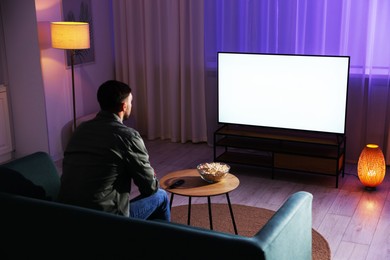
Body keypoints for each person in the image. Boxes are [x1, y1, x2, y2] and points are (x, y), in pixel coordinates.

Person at [58, 80, 170, 221]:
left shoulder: (80, 130)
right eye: (131, 102)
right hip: (105, 219)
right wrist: (148, 174)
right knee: (161, 196)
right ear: (124, 106)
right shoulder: (128, 136)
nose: (131, 105)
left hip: (67, 212)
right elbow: (150, 187)